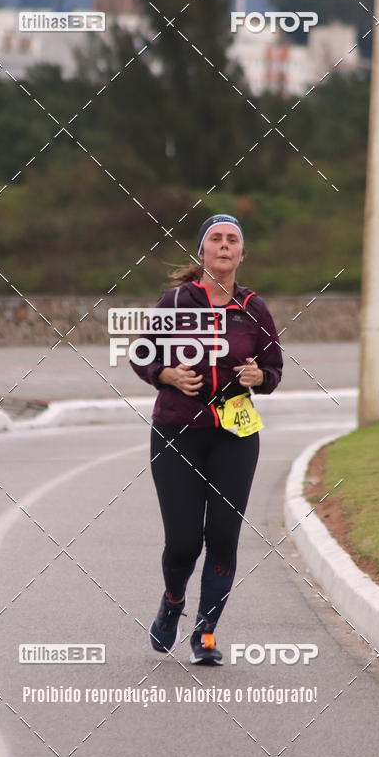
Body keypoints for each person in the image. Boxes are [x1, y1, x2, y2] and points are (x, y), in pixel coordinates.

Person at [129, 213, 283, 665]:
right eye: (215, 238)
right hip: (177, 432)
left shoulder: (254, 308)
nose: (223, 245)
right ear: (202, 250)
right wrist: (167, 374)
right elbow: (142, 354)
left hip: (234, 436)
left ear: (241, 253)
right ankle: (173, 599)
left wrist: (260, 375)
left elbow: (274, 369)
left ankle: (207, 633)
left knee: (223, 537)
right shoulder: (177, 300)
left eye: (232, 239)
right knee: (182, 542)